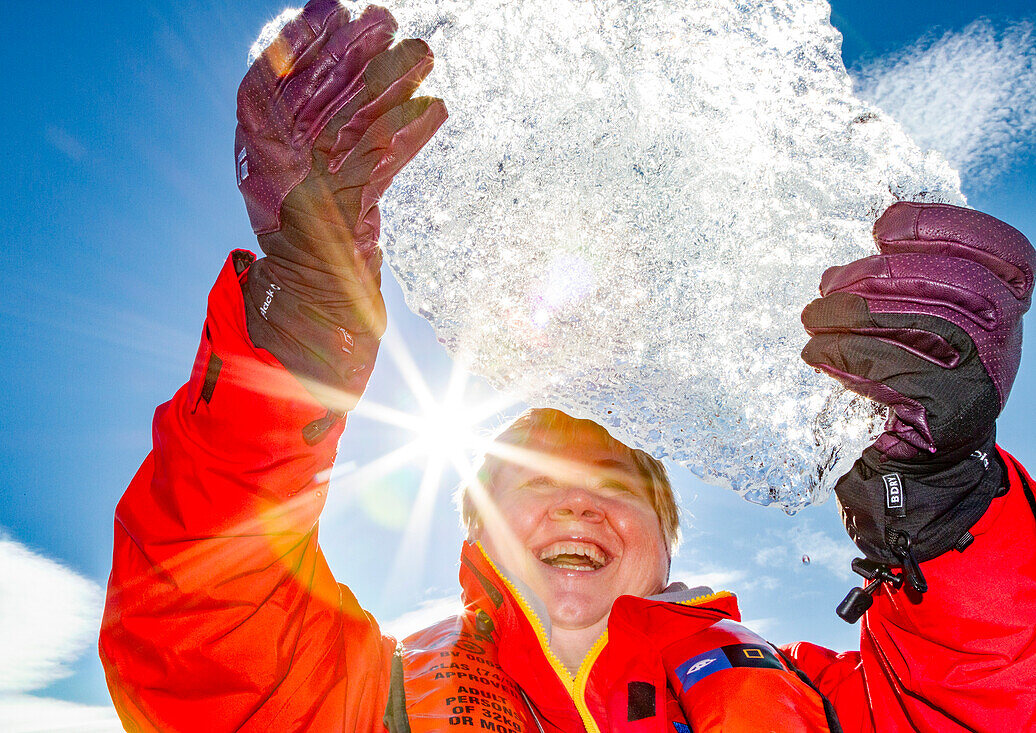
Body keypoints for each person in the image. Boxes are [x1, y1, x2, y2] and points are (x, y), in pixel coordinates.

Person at [98, 1, 1036, 730]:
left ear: (668, 541)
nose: (581, 502)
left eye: (618, 484)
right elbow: (196, 626)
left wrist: (948, 504)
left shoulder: (815, 698)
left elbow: (984, 697)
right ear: (473, 529)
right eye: (530, 481)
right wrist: (297, 339)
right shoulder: (363, 700)